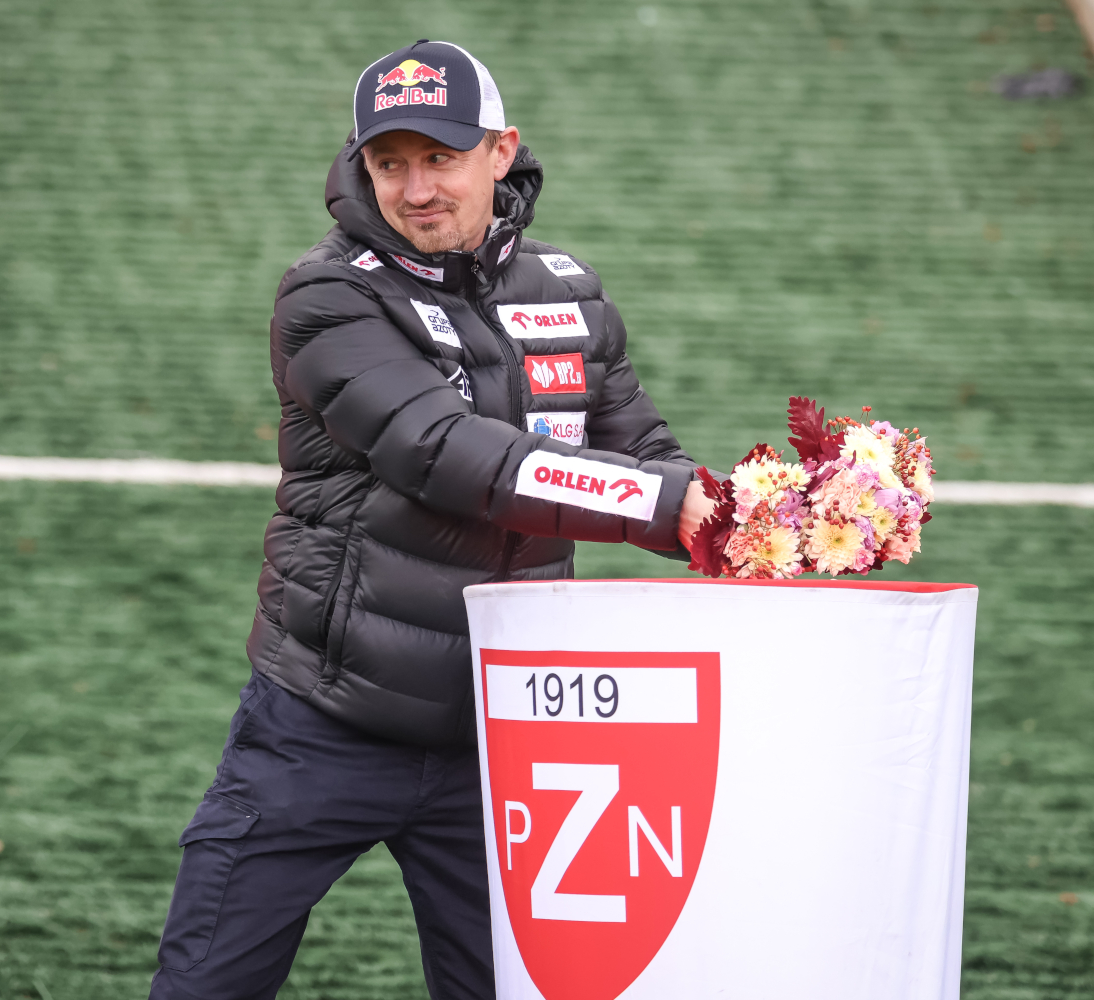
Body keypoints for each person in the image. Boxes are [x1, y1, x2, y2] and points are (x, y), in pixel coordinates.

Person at [149, 39, 716, 1000]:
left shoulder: (570, 290)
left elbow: (647, 448)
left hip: (504, 735)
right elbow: (442, 453)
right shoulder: (329, 292)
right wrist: (670, 507)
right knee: (206, 986)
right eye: (389, 162)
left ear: (502, 151)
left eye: (440, 158)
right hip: (325, 719)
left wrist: (755, 515)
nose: (415, 189)